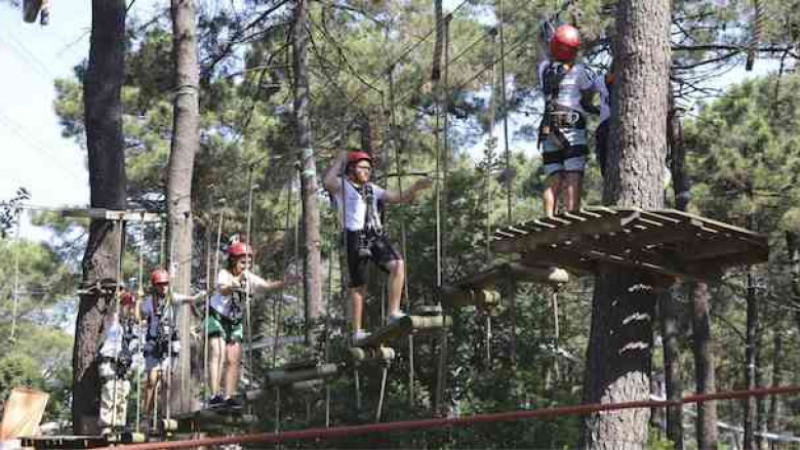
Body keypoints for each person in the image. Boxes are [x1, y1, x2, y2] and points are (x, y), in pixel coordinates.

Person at [323, 150, 433, 343]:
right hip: (355, 235)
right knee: (359, 285)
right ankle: (357, 331)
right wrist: (340, 160)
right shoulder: (343, 186)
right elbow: (327, 182)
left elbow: (398, 198)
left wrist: (416, 187)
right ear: (351, 170)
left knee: (398, 264)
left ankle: (393, 311)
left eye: (369, 168)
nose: (367, 171)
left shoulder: (373, 189)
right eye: (362, 167)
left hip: (375, 234)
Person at [206, 241, 299, 408]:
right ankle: (214, 395)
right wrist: (235, 284)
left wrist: (286, 282)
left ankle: (229, 396)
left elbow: (267, 286)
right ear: (233, 261)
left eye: (249, 262)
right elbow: (223, 290)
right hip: (217, 316)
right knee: (217, 351)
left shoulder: (249, 277)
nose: (246, 265)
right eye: (243, 261)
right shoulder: (224, 274)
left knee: (233, 358)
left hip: (234, 320)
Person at [537, 23, 606, 217]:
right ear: (573, 50)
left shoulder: (543, 69)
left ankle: (548, 217)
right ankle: (572, 215)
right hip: (571, 122)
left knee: (554, 176)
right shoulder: (579, 71)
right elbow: (588, 95)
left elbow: (542, 53)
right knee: (573, 172)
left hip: (548, 125)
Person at [98, 287, 142, 435]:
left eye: (130, 306)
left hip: (124, 367)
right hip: (110, 363)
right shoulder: (113, 320)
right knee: (110, 393)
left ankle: (118, 428)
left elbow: (136, 347)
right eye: (126, 305)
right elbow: (111, 309)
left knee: (122, 396)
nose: (128, 309)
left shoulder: (132, 327)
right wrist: (117, 297)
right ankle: (106, 428)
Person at [140, 268, 179, 426]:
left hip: (168, 346)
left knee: (166, 381)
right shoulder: (149, 303)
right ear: (155, 286)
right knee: (151, 380)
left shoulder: (172, 300)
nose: (164, 287)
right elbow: (140, 316)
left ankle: (165, 413)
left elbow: (186, 299)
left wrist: (198, 297)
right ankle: (146, 416)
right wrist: (137, 301)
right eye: (160, 285)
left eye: (166, 284)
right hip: (153, 345)